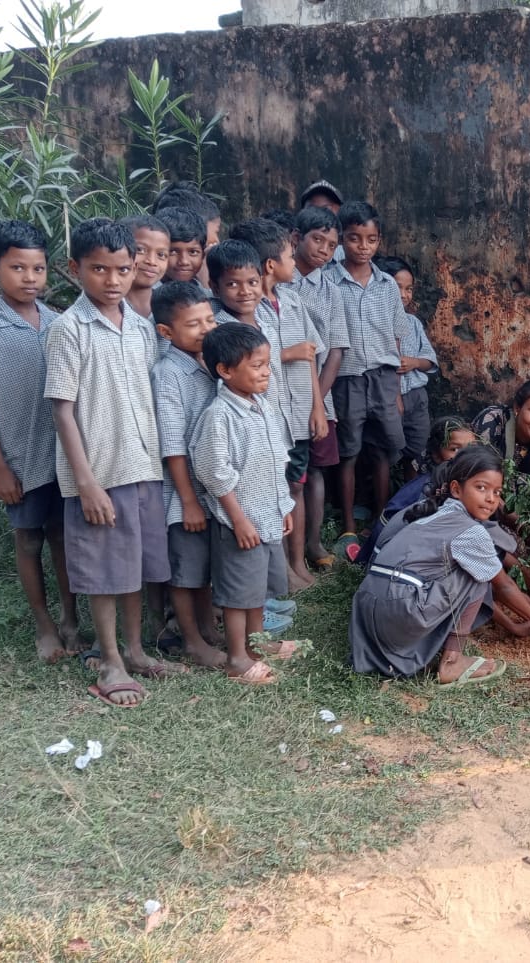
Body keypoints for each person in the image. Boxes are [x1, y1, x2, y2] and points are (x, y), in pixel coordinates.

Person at [45, 218, 178, 707]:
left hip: (142, 466)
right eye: (99, 269)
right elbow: (62, 409)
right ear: (74, 268)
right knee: (104, 570)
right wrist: (86, 483)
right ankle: (109, 661)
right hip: (100, 470)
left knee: (133, 566)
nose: (113, 279)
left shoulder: (141, 329)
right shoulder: (68, 329)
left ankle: (136, 649)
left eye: (122, 269)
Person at [0, 219, 80, 663]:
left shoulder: (60, 323)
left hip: (63, 456)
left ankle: (71, 618)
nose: (30, 278)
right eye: (18, 268)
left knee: (64, 537)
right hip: (19, 457)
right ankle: (44, 625)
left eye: (38, 268)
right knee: (29, 539)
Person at [347, 445, 530, 684]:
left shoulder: (432, 514)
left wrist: (526, 611)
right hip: (400, 612)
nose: (490, 498)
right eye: (481, 487)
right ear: (456, 489)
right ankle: (453, 661)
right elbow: (502, 586)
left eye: (497, 491)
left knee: (472, 570)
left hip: (366, 614)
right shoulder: (471, 531)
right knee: (476, 575)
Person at [231, 218, 337, 589]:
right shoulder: (243, 308)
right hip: (268, 419)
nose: (295, 263)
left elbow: (310, 355)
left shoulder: (292, 301)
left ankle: (296, 564)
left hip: (297, 417)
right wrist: (285, 353)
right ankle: (279, 573)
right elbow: (247, 360)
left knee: (296, 487)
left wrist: (317, 406)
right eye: (290, 256)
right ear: (271, 265)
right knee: (269, 494)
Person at [192, 323, 296, 685]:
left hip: (267, 514)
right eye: (257, 365)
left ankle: (258, 644)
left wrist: (284, 505)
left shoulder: (262, 406)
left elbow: (277, 459)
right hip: (243, 521)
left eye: (267, 364)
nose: (266, 372)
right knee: (238, 594)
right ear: (225, 370)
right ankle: (237, 658)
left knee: (257, 590)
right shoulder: (219, 416)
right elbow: (214, 472)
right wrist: (238, 519)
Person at [303, 201, 411, 546]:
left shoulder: (387, 285)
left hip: (382, 377)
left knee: (383, 449)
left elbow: (396, 336)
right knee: (348, 452)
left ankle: (381, 518)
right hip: (345, 378)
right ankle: (349, 523)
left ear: (379, 241)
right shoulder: (329, 283)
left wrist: (395, 389)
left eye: (371, 240)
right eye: (353, 238)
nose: (363, 247)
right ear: (341, 241)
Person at [149, 281, 227, 670]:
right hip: (184, 494)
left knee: (204, 566)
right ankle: (191, 639)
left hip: (207, 488)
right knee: (184, 571)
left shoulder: (208, 363)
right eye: (194, 324)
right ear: (166, 332)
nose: (207, 329)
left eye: (210, 319)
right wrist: (189, 501)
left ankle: (207, 629)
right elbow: (172, 445)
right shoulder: (168, 373)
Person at [285, 204, 344, 571]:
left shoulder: (332, 291)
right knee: (290, 475)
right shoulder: (281, 281)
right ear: (296, 239)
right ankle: (289, 552)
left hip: (320, 395)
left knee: (317, 471)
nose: (323, 249)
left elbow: (335, 351)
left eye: (330, 243)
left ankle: (314, 541)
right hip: (283, 396)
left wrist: (316, 401)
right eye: (317, 239)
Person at [357, 415, 476, 562]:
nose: (464, 456)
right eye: (455, 449)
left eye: (470, 449)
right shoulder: (429, 489)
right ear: (436, 455)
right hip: (391, 558)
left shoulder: (450, 485)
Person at [375, 255, 438, 480]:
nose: (404, 295)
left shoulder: (413, 323)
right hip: (387, 398)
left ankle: (409, 498)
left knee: (417, 450)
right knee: (385, 450)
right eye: (397, 287)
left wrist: (414, 362)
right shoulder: (374, 323)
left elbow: (430, 361)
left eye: (409, 289)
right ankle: (382, 504)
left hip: (416, 397)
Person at [119, 214, 171, 327]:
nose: (152, 261)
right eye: (140, 250)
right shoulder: (109, 306)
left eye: (161, 254)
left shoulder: (171, 305)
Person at [158, 207, 209, 288]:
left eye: (193, 252)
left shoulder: (207, 296)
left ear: (203, 254)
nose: (184, 261)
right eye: (173, 252)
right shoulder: (144, 296)